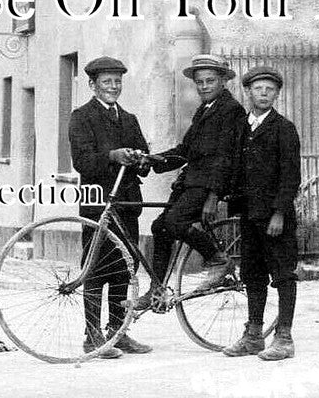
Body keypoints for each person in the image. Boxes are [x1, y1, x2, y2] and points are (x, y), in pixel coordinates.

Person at [127, 53, 244, 311]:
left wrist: (213, 196)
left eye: (209, 81)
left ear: (223, 81)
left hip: (208, 184)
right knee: (160, 227)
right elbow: (185, 151)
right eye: (199, 82)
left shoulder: (231, 111)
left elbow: (227, 157)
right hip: (190, 182)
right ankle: (156, 291)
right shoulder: (204, 110)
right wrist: (154, 159)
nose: (203, 86)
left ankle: (217, 259)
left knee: (174, 222)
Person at [68, 56, 153, 358]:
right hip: (97, 204)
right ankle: (92, 336)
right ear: (93, 85)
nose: (113, 87)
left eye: (117, 82)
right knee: (95, 268)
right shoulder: (81, 117)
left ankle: (118, 333)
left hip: (127, 203)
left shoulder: (129, 119)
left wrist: (142, 159)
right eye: (107, 82)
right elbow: (83, 162)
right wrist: (114, 155)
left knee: (125, 269)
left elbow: (144, 157)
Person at [221, 65, 301, 361]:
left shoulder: (284, 128)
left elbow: (290, 176)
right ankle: (254, 336)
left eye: (270, 89)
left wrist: (279, 213)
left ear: (277, 94)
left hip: (275, 218)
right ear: (248, 92)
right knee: (252, 275)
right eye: (258, 88)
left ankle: (284, 338)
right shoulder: (242, 127)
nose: (264, 93)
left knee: (283, 275)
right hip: (250, 216)